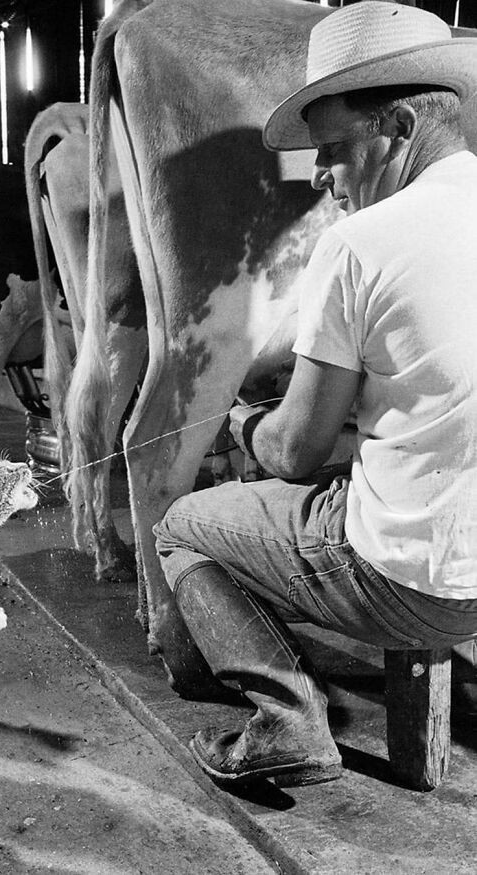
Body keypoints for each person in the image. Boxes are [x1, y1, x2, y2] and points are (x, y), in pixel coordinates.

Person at [153, 0, 477, 789]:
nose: (320, 176)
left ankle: (288, 719)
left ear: (398, 126)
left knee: (184, 526)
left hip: (423, 582)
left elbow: (297, 454)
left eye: (332, 149)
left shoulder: (360, 242)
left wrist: (245, 421)